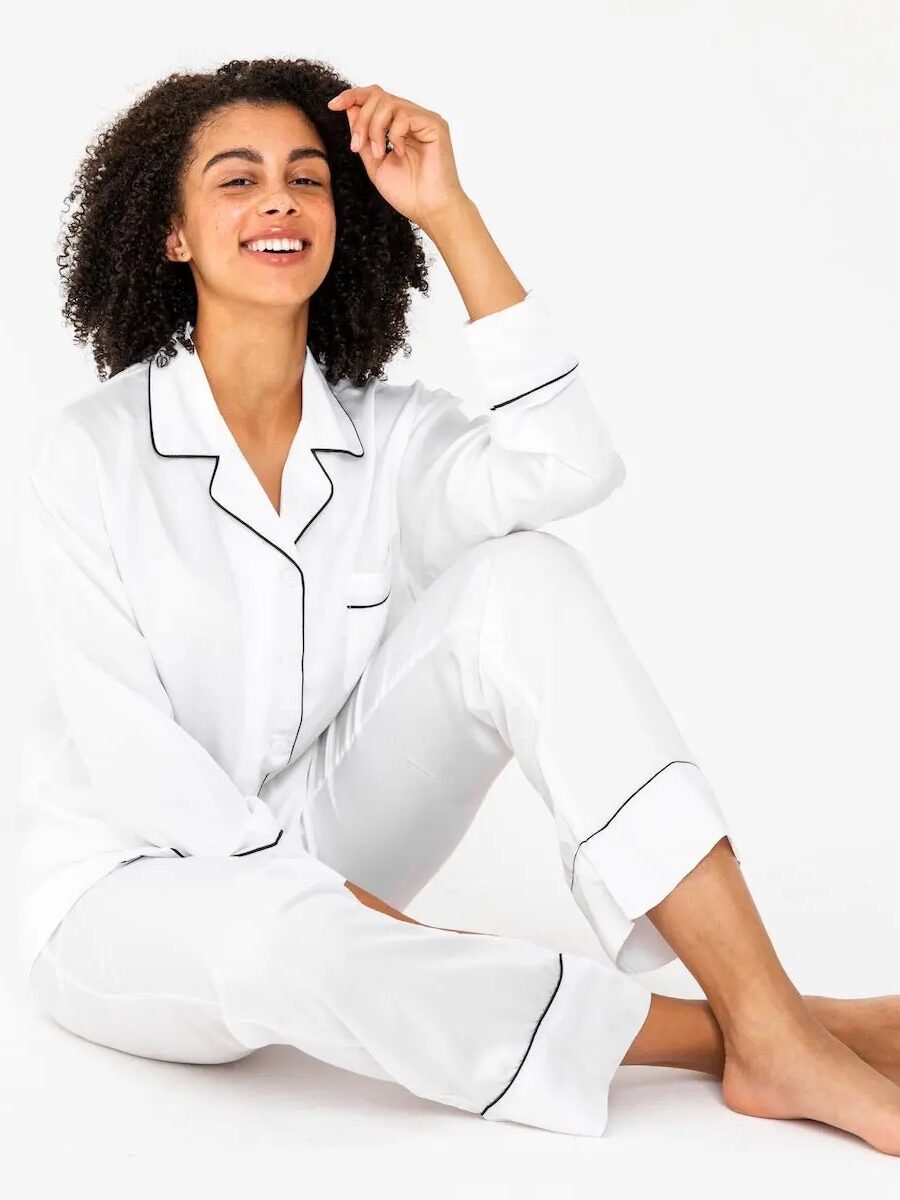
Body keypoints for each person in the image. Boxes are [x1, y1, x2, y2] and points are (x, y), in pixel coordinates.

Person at [18, 56, 900, 1151]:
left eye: (307, 178)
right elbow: (146, 777)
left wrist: (448, 210)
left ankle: (770, 1016)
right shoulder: (90, 454)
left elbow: (569, 463)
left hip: (319, 834)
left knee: (525, 579)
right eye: (237, 181)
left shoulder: (389, 433)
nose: (280, 200)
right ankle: (774, 1033)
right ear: (172, 235)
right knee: (284, 943)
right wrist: (356, 924)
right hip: (128, 893)